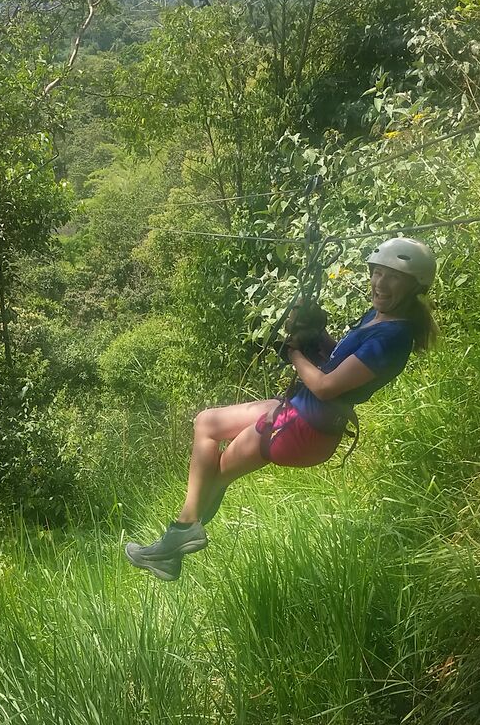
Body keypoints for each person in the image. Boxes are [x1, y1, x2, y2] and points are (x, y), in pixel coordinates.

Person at [125, 237, 438, 581]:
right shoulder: (378, 316)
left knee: (215, 473)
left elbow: (325, 385)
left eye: (393, 277)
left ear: (415, 285)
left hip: (305, 427)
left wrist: (294, 353)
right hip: (301, 411)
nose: (380, 283)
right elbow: (339, 363)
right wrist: (316, 335)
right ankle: (178, 542)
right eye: (377, 272)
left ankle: (176, 540)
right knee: (206, 423)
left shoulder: (393, 338)